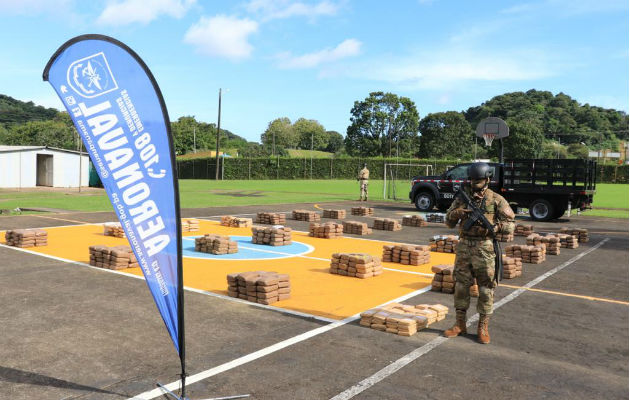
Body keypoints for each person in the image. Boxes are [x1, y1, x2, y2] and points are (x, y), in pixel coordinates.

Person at [443, 162, 515, 344]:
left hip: (485, 248)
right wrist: (457, 213)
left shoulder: (496, 200)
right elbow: (448, 222)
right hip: (464, 246)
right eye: (472, 180)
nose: (474, 183)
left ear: (487, 180)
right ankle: (460, 324)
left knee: (485, 289)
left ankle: (483, 326)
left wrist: (497, 227)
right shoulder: (462, 198)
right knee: (460, 286)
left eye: (478, 180)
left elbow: (511, 224)